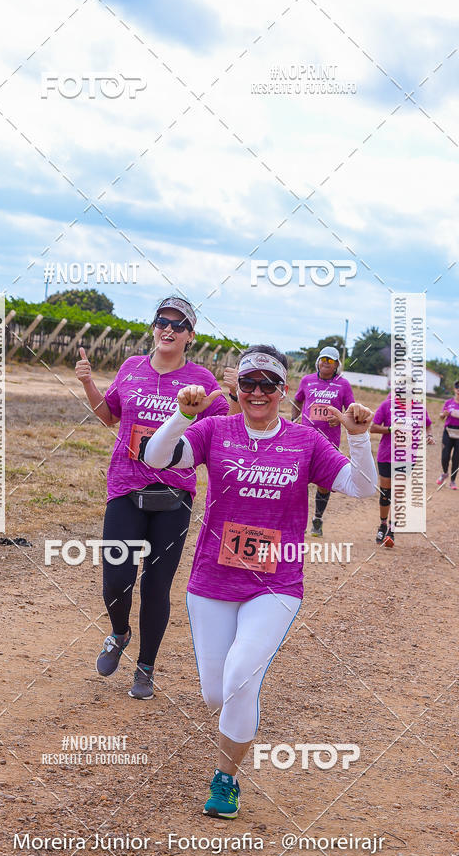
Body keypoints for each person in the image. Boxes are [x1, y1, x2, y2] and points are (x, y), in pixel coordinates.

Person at [143, 345, 376, 818]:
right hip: (211, 579)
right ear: (236, 387)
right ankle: (237, 712)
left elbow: (363, 487)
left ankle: (225, 780)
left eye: (268, 384)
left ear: (282, 390)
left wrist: (358, 438)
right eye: (248, 382)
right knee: (214, 692)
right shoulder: (215, 430)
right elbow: (157, 456)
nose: (257, 392)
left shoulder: (305, 441)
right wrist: (181, 416)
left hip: (276, 583)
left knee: (240, 675)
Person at [75, 296, 230, 700]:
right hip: (125, 487)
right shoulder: (131, 368)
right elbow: (109, 416)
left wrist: (231, 394)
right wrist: (88, 383)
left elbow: (222, 432)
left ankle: (145, 667)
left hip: (173, 495)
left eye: (178, 325)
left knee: (157, 586)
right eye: (162, 321)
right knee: (116, 581)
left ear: (190, 336)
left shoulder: (202, 380)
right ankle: (119, 633)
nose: (168, 329)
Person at [291, 346, 355, 537]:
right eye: (323, 359)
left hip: (329, 441)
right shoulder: (307, 380)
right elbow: (297, 401)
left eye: (331, 361)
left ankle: (317, 519)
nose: (326, 363)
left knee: (323, 483)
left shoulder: (343, 384)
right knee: (297, 479)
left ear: (337, 365)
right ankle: (295, 521)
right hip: (304, 439)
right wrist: (295, 421)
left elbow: (351, 409)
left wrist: (341, 417)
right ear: (317, 361)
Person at [371, 393, 435, 547]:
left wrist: (430, 435)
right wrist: (392, 428)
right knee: (386, 494)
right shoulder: (387, 405)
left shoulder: (420, 408)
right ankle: (383, 525)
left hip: (407, 458)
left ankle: (391, 532)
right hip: (386, 456)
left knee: (398, 494)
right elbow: (373, 427)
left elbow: (428, 424)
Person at [437, 380, 459, 489]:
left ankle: (453, 481)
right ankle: (444, 473)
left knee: (456, 458)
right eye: (457, 387)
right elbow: (441, 416)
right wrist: (444, 414)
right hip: (448, 431)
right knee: (445, 456)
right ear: (454, 389)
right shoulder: (448, 402)